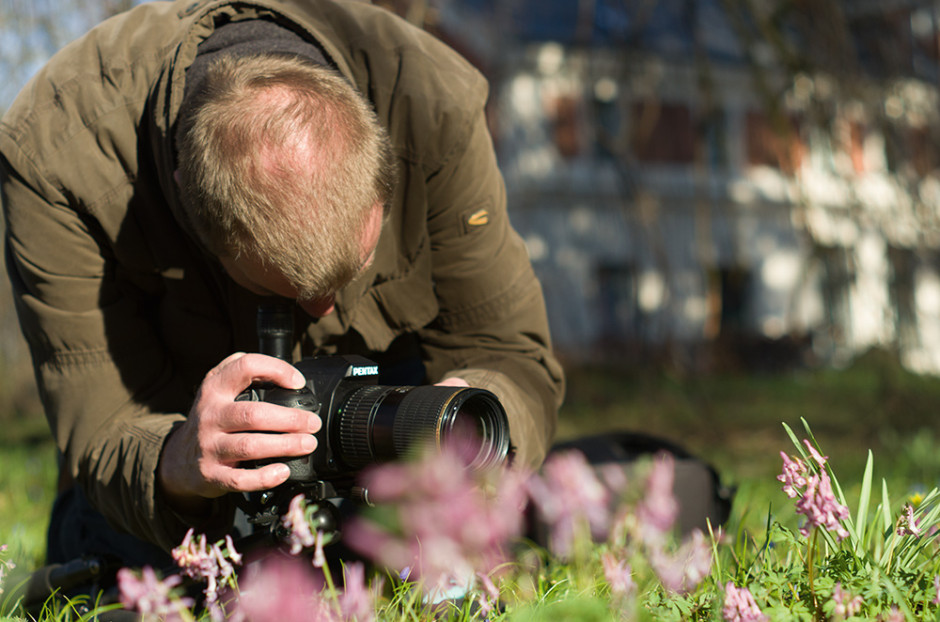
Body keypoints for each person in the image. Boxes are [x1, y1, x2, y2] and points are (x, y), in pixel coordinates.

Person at [0, 0, 564, 569]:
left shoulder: (428, 103)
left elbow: (510, 351)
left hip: (383, 454)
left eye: (355, 270)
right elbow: (100, 427)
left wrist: (462, 420)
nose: (325, 309)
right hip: (188, 483)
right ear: (193, 215)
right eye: (291, 290)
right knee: (109, 558)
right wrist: (177, 462)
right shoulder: (55, 159)